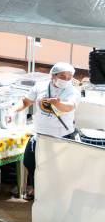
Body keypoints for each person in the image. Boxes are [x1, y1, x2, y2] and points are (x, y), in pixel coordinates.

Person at [11, 62, 80, 201]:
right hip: (40, 134)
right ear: (53, 76)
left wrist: (57, 103)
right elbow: (25, 101)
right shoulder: (41, 86)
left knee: (57, 167)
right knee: (30, 162)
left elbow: (68, 107)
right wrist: (12, 111)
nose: (66, 79)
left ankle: (55, 195)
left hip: (61, 136)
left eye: (69, 77)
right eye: (62, 76)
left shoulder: (73, 91)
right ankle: (37, 188)